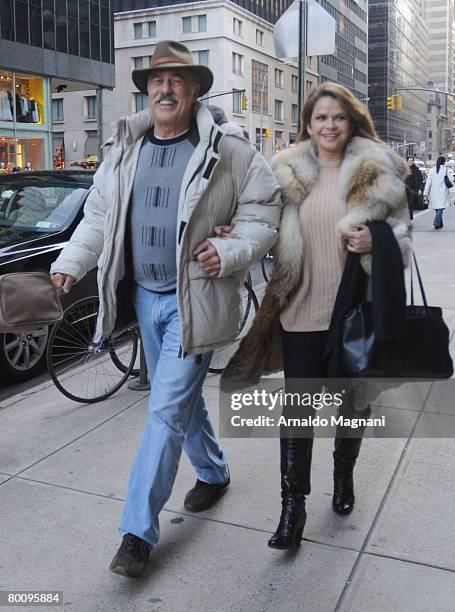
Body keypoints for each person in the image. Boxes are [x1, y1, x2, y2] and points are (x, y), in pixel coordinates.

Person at [50, 40, 281, 576]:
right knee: (176, 401)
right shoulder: (125, 147)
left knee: (162, 412)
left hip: (193, 300)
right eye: (157, 80)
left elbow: (264, 215)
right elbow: (99, 216)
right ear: (147, 91)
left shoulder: (231, 150)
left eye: (177, 79)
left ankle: (136, 533)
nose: (166, 88)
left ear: (195, 88)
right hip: (143, 299)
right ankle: (215, 472)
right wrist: (71, 262)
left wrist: (230, 247)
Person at [222, 83, 411, 550]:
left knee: (353, 406)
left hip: (355, 313)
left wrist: (378, 242)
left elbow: (405, 241)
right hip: (301, 309)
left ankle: (343, 477)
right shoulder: (282, 172)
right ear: (307, 123)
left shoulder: (379, 170)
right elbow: (259, 224)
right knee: (298, 411)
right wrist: (235, 232)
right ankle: (293, 508)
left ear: (352, 122)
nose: (329, 126)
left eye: (338, 118)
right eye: (320, 118)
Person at [423, 156, 452, 229]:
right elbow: (452, 179)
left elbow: (428, 183)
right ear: (444, 162)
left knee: (438, 208)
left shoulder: (431, 170)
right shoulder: (446, 170)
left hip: (434, 192)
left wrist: (425, 193)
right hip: (443, 192)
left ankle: (440, 224)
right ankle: (436, 222)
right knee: (440, 208)